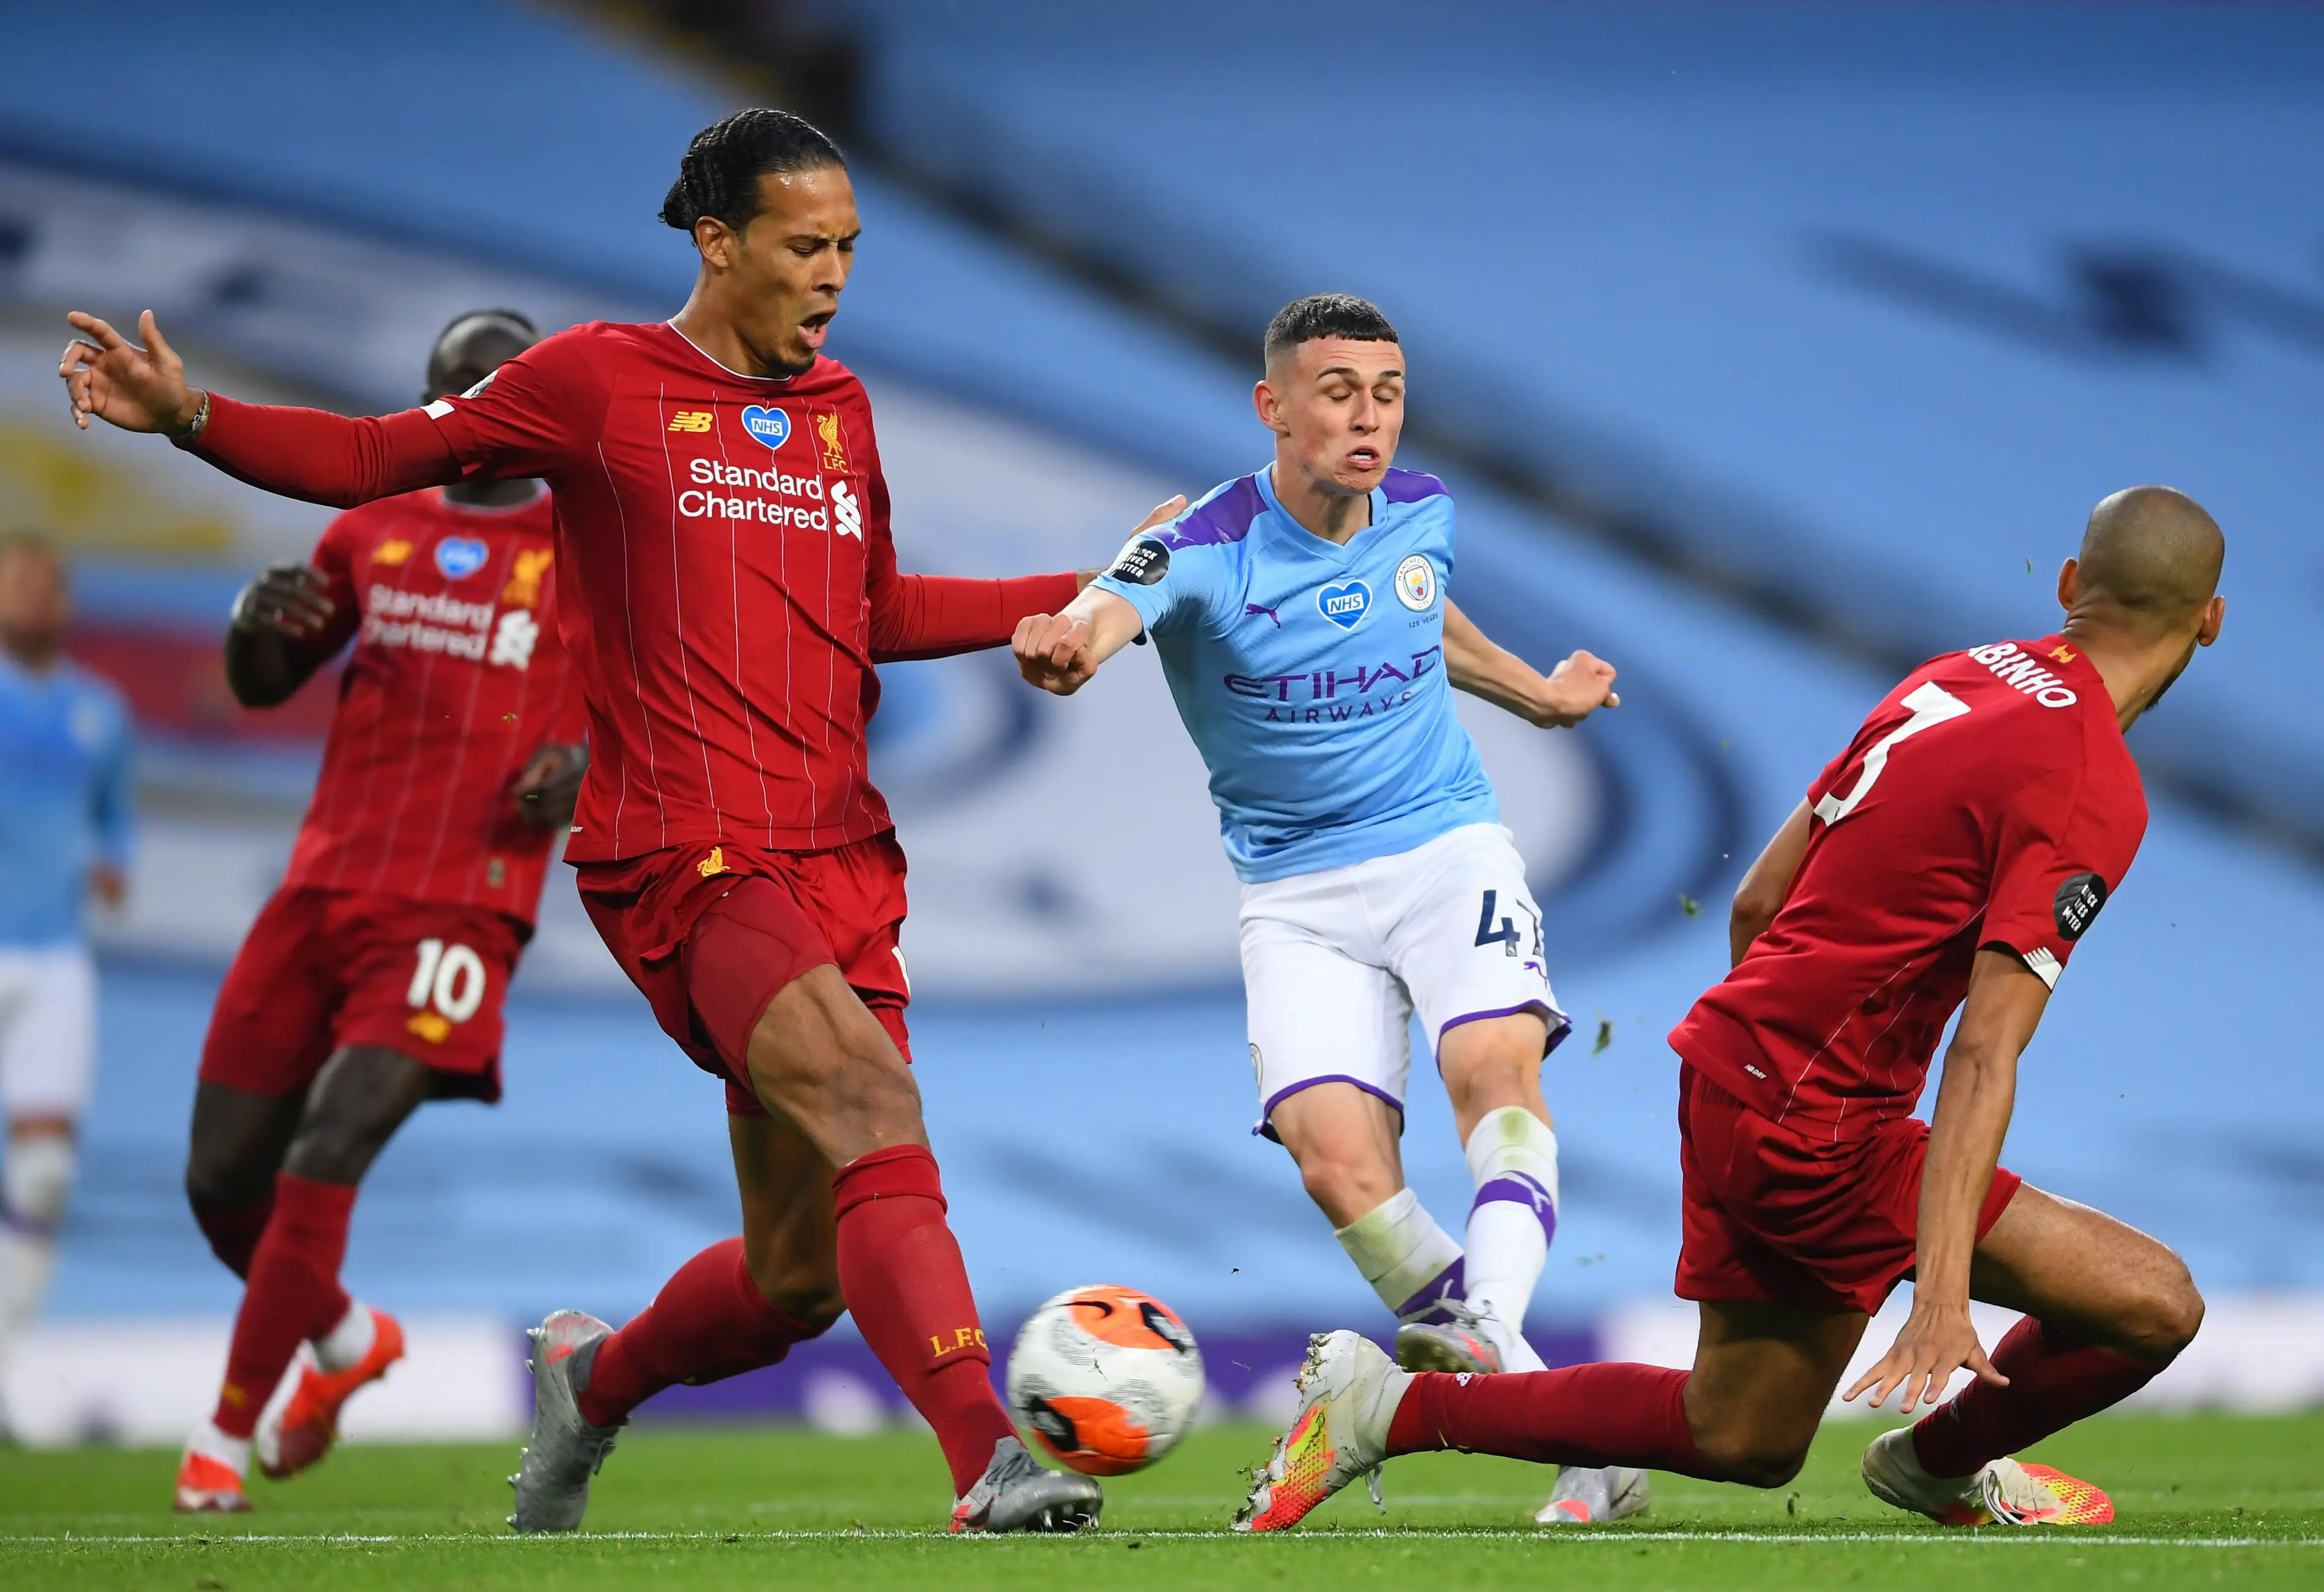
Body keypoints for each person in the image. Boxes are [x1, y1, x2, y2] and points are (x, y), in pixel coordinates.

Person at [62, 108, 1131, 1534]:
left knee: (797, 1278)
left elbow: (875, 610)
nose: (834, 274)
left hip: (839, 856)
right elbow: (371, 453)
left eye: (852, 248)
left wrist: (1082, 591)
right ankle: (987, 1456)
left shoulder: (841, 411)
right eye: (807, 246)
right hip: (683, 849)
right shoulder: (594, 381)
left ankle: (593, 1382)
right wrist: (193, 416)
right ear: (718, 242)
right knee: (877, 1107)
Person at [1233, 485, 2222, 1533]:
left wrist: (1773, 1065)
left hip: (1733, 1068)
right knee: (2155, 1307)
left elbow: (1758, 900)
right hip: (1822, 1123)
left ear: (2071, 585)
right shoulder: (2090, 782)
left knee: (1739, 1435)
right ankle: (1938, 1464)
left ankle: (1387, 1407)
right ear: (2209, 618)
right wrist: (1938, 1291)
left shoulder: (1955, 676)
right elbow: (1984, 1049)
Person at [1013, 294, 1638, 1524]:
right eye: (1340, 389)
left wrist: (1537, 696)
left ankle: (1481, 1332)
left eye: (1389, 390)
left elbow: (1421, 612)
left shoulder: (1424, 510)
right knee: (1336, 1164)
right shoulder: (1201, 541)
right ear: (1275, 407)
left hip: (1446, 848)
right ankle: (1578, 1440)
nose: (1370, 415)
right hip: (1296, 892)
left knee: (1495, 1073)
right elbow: (1106, 608)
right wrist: (1068, 644)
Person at [166, 311, 586, 1511]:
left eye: (497, 385)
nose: (473, 406)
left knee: (326, 1149)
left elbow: (655, 694)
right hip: (320, 890)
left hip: (462, 905)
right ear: (429, 399)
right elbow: (266, 687)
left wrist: (584, 764)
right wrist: (254, 629)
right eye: (454, 387)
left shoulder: (589, 545)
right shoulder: (369, 532)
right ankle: (349, 1340)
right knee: (219, 1181)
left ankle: (220, 1438)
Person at [0, 533, 130, 1439]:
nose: (31, 596)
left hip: (56, 958)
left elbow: (115, 817)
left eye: (45, 582)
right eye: (14, 581)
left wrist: (114, 861)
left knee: (44, 1178)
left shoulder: (100, 710)